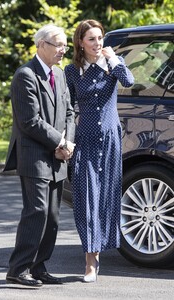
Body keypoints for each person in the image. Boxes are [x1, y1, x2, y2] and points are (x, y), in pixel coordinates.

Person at [4, 24, 75, 287]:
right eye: (58, 44)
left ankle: (39, 266)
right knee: (37, 211)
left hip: (58, 155)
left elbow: (69, 111)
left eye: (65, 45)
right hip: (34, 155)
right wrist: (60, 140)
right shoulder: (25, 75)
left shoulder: (60, 74)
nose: (63, 50)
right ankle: (17, 269)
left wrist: (68, 142)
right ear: (41, 45)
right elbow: (29, 121)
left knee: (53, 216)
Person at [64, 19, 134, 283]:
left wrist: (114, 59)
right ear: (80, 43)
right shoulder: (72, 71)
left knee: (105, 196)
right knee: (85, 197)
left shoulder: (114, 66)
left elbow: (129, 81)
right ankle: (89, 263)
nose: (97, 44)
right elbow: (69, 110)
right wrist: (67, 140)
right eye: (91, 39)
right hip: (85, 139)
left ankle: (98, 253)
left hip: (111, 140)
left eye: (100, 38)